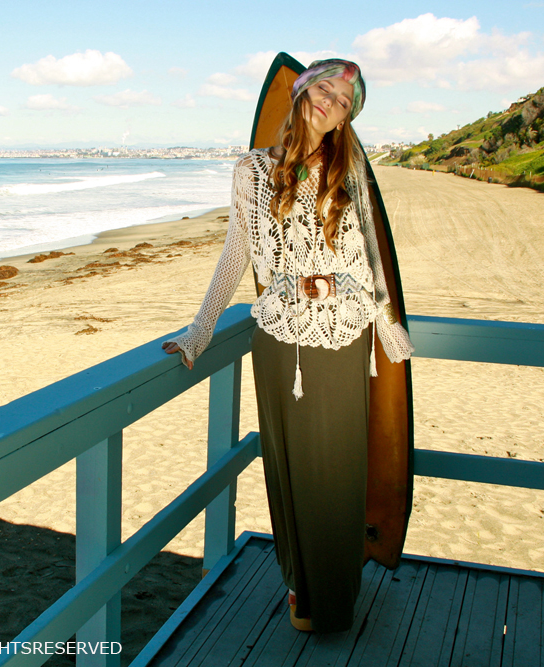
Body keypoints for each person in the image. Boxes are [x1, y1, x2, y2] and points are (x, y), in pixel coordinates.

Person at [163, 58, 414, 633]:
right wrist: (199, 331)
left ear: (345, 119)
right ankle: (302, 586)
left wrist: (387, 323)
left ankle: (337, 596)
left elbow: (372, 253)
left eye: (344, 101)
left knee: (338, 468)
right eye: (324, 88)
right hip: (277, 336)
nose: (331, 101)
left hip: (342, 334)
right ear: (302, 93)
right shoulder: (252, 170)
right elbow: (236, 253)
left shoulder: (349, 167)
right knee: (289, 468)